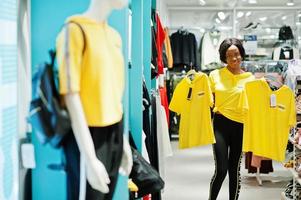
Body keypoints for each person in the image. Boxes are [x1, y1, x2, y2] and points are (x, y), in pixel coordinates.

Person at [56, 0, 132, 199]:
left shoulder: (114, 36)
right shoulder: (74, 30)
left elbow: (114, 91)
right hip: (87, 133)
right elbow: (71, 95)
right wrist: (89, 157)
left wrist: (123, 140)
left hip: (114, 130)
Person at [208, 38, 254, 200]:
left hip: (240, 125)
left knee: (234, 169)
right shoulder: (215, 75)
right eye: (229, 56)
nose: (234, 58)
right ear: (224, 58)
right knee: (221, 169)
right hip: (220, 125)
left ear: (241, 54)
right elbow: (207, 101)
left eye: (237, 54)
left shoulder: (250, 78)